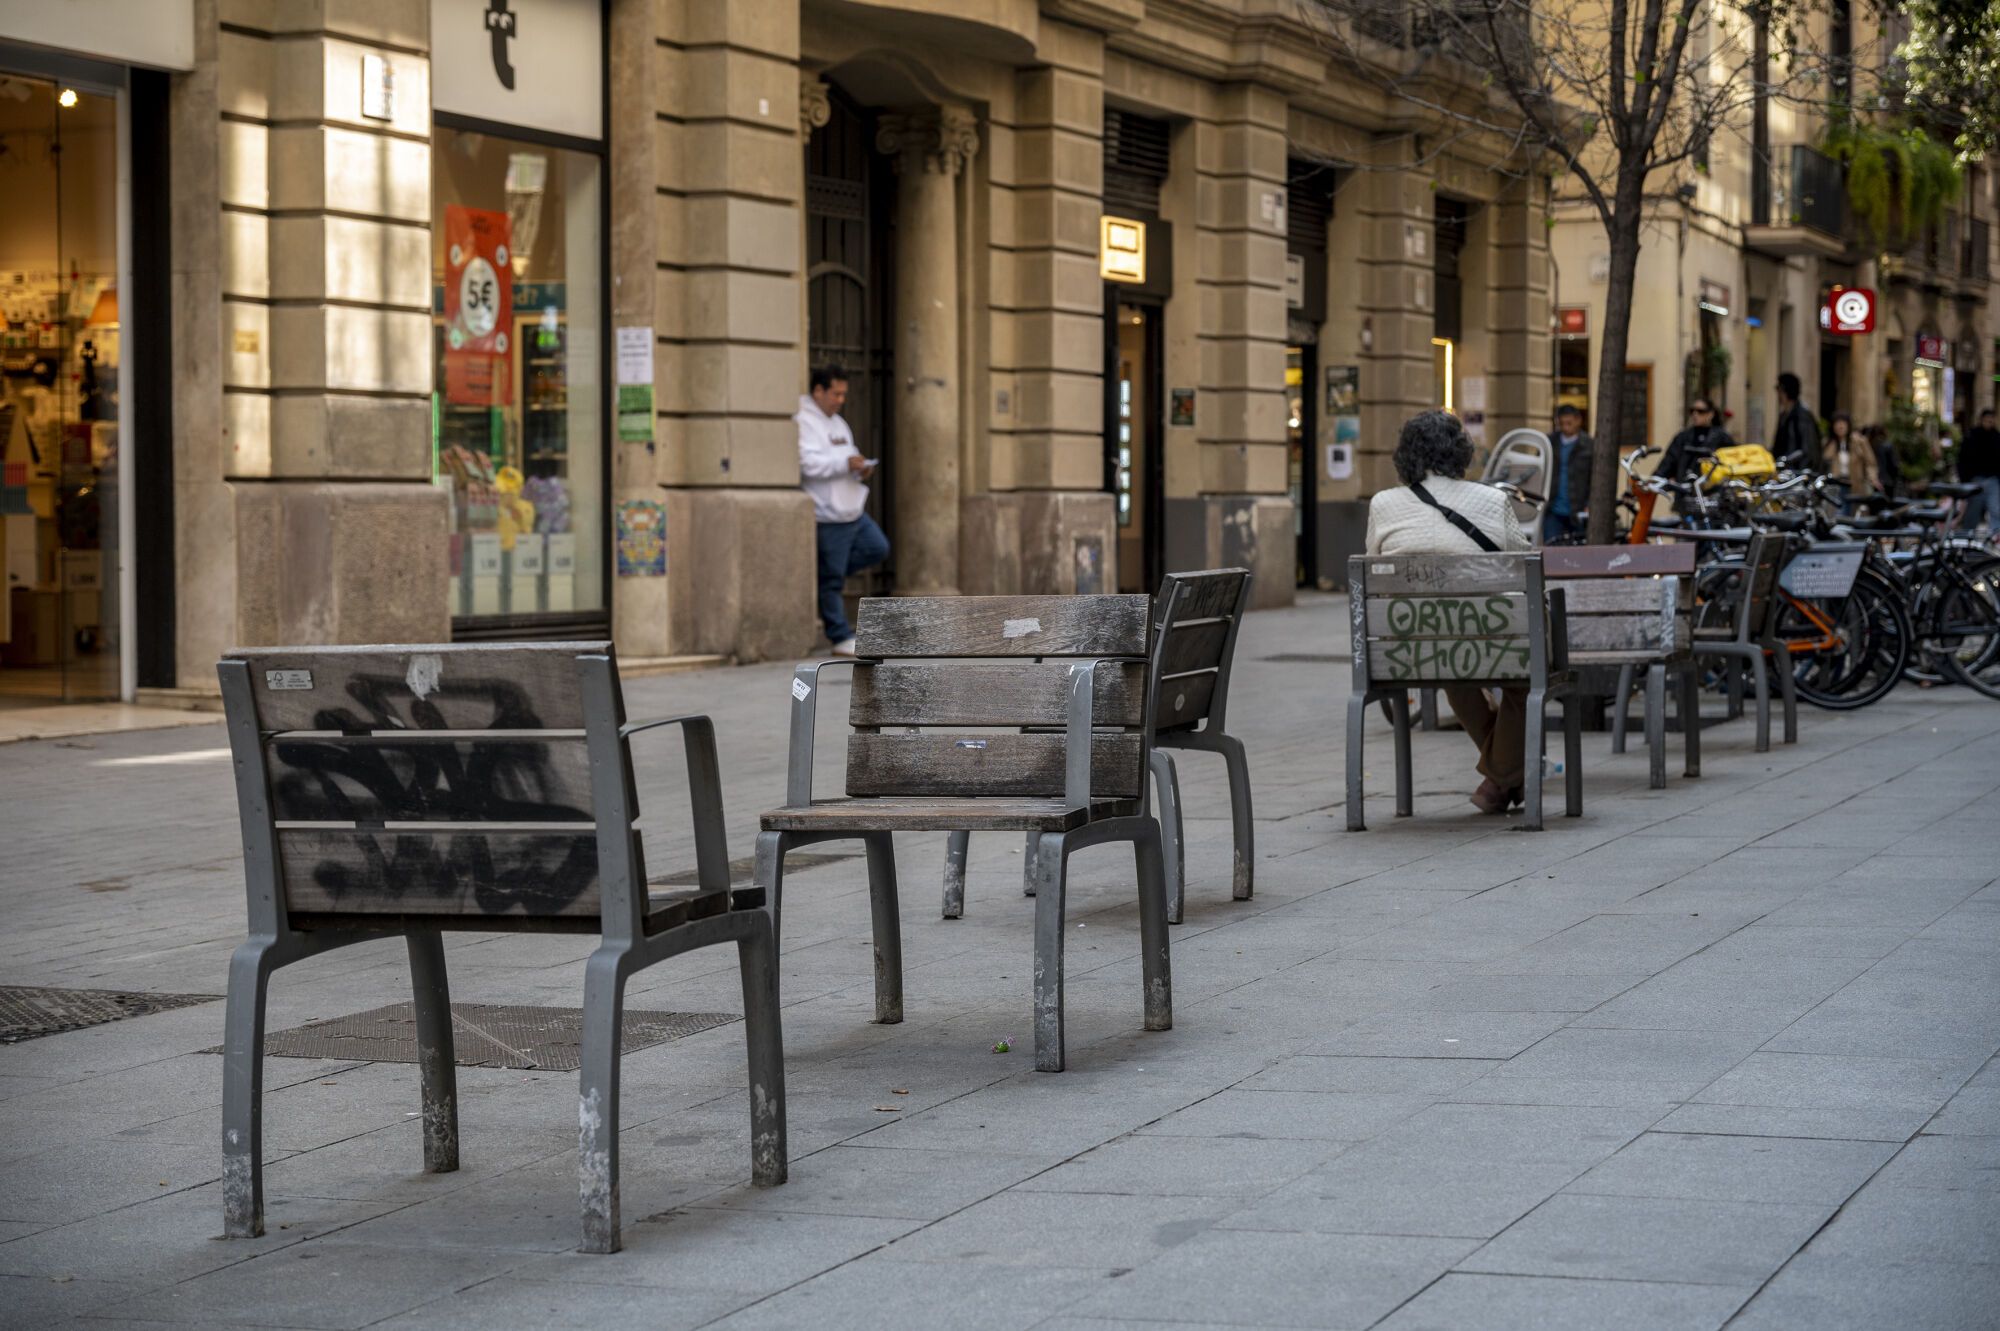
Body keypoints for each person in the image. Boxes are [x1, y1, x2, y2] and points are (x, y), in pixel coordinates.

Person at [1366, 410, 1532, 815]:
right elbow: (1526, 565)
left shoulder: (1383, 504)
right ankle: (1503, 776)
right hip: (1489, 642)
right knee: (1525, 680)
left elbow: (1371, 566)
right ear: (1460, 453)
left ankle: (1502, 776)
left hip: (1412, 650)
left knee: (1452, 672)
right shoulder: (1494, 501)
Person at [796, 364, 885, 655]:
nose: (841, 400)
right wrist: (844, 464)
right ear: (818, 391)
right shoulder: (803, 420)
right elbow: (807, 465)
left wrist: (860, 469)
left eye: (844, 394)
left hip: (852, 509)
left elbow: (848, 454)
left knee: (877, 548)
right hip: (828, 513)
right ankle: (839, 636)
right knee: (832, 579)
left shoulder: (837, 422)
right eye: (836, 393)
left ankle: (822, 577)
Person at [1544, 402, 1594, 543]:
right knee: (1552, 548)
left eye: (1569, 423)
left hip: (1578, 507)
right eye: (1562, 424)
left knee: (1579, 550)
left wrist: (1589, 504)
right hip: (1553, 507)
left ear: (1578, 421)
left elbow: (1593, 479)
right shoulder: (1550, 442)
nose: (1566, 427)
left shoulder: (1589, 445)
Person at [1658, 396, 1733, 482]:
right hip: (1684, 488)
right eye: (1692, 411)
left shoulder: (1721, 436)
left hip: (1711, 489)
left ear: (1711, 414)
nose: (1695, 414)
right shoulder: (1683, 436)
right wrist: (1656, 478)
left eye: (1700, 411)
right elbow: (1669, 460)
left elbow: (1731, 459)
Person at [1819, 411, 1880, 505]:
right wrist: (1832, 444)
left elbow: (1870, 462)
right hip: (1835, 484)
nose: (1840, 426)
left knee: (1851, 511)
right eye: (1837, 423)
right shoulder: (1829, 443)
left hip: (1854, 483)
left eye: (1843, 423)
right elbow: (1825, 460)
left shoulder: (1859, 441)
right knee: (1837, 512)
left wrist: (1873, 478)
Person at [1960, 407, 2000, 533]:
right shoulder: (1972, 435)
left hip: (1992, 479)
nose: (1989, 422)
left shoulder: (1996, 437)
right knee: (1973, 510)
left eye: (1991, 420)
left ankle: (1995, 537)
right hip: (1976, 479)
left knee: (1995, 510)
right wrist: (1965, 478)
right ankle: (1967, 537)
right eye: (1987, 420)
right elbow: (1963, 458)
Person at [1771, 372, 1820, 471]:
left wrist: (1788, 462)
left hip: (1797, 475)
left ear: (1785, 391)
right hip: (1785, 473)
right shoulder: (1784, 415)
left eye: (1779, 389)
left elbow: (1808, 450)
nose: (1777, 394)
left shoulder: (1802, 415)